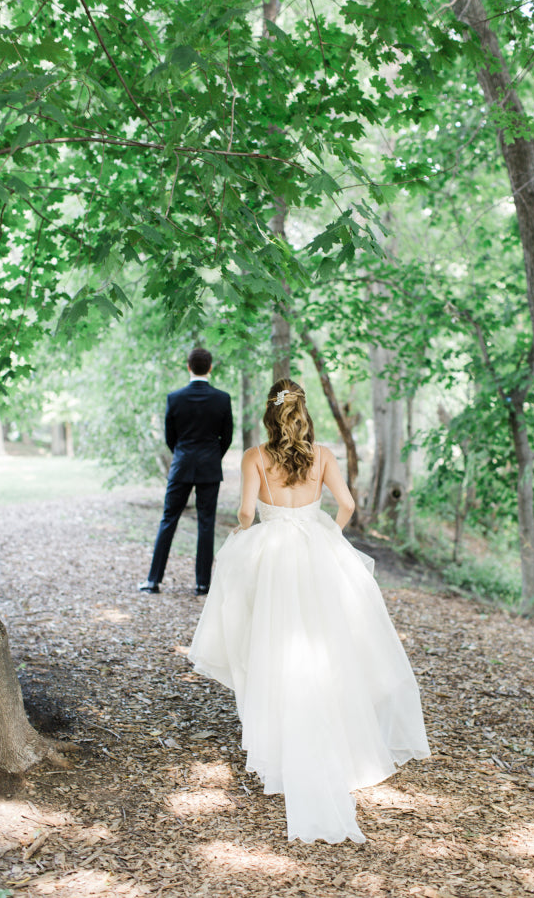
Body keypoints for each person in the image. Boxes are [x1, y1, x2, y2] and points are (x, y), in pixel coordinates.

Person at [188, 379, 430, 844]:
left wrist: (246, 533)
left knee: (271, 643)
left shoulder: (256, 456)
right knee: (330, 643)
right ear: (303, 412)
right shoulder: (322, 455)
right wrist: (330, 536)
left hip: (272, 551)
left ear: (269, 413)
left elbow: (242, 514)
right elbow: (348, 504)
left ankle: (280, 740)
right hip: (317, 551)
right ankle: (339, 738)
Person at [138, 348, 233, 596]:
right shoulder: (222, 399)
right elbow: (227, 437)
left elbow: (171, 438)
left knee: (168, 520)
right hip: (210, 468)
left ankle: (153, 581)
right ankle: (203, 584)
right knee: (206, 524)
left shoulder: (174, 398)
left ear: (188, 367)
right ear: (210, 367)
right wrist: (212, 457)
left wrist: (182, 454)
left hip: (181, 465)